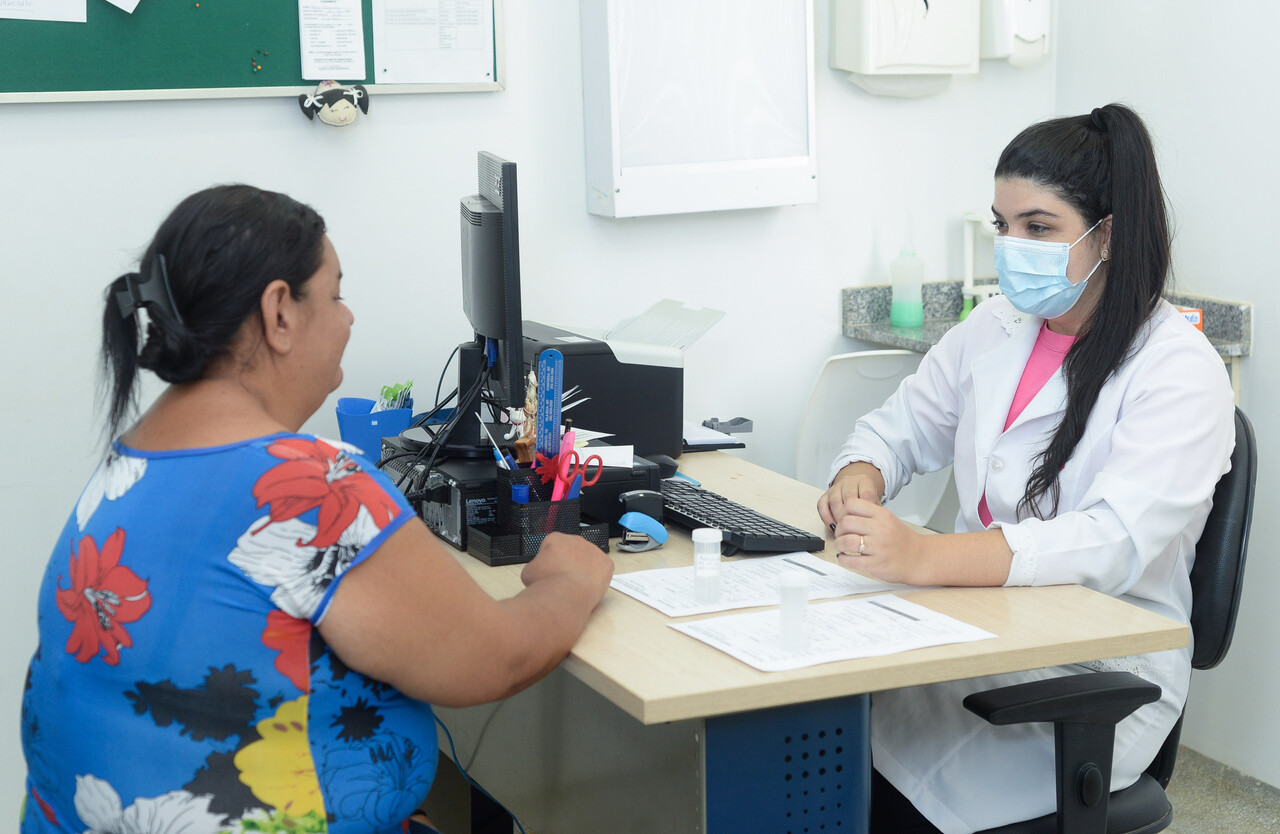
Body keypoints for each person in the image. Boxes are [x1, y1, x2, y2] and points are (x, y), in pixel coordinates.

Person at [20, 185, 615, 834]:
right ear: (280, 313)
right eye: (334, 294)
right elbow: (498, 658)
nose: (348, 317)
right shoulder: (306, 486)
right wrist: (569, 581)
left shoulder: (126, 468)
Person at [817, 104, 1235, 833]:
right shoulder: (996, 324)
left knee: (876, 792)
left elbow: (1106, 540)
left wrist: (923, 554)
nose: (1013, 247)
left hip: (1090, 676)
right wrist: (863, 470)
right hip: (977, 629)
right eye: (1002, 225)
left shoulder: (1178, 370)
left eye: (1038, 228)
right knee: (816, 734)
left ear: (1108, 233)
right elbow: (905, 423)